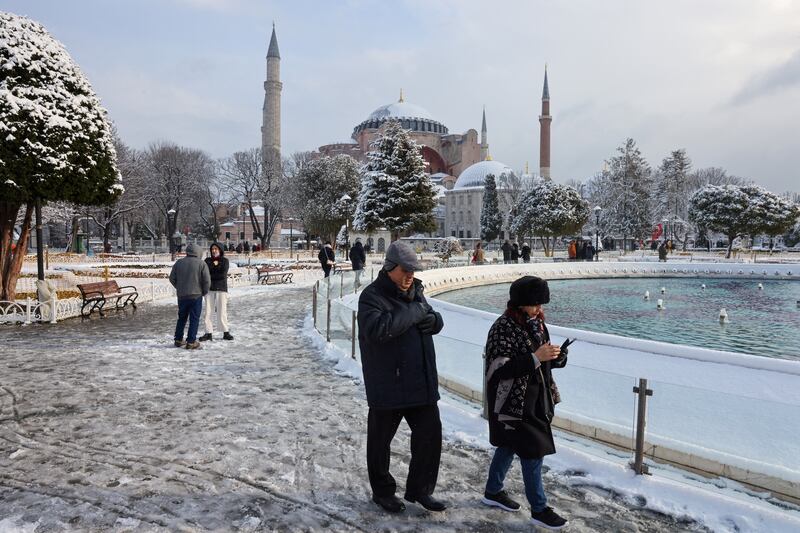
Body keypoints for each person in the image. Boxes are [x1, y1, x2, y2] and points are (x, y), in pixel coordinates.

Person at [357, 241, 446, 514]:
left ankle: (420, 490)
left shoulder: (416, 290)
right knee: (380, 442)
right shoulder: (371, 296)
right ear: (389, 268)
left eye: (413, 270)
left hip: (420, 379)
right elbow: (379, 329)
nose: (410, 276)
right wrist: (417, 312)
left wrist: (436, 321)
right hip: (388, 382)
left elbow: (430, 316)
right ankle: (383, 492)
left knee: (430, 437)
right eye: (405, 270)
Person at [481, 276, 568, 530]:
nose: (540, 309)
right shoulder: (502, 327)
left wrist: (557, 357)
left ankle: (492, 491)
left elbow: (542, 361)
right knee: (533, 452)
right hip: (513, 403)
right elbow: (498, 370)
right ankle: (539, 509)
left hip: (537, 399)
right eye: (535, 304)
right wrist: (535, 357)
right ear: (520, 303)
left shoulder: (537, 324)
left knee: (508, 446)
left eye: (542, 304)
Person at [169, 243, 210, 350]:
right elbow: (207, 281)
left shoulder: (179, 263)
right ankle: (191, 342)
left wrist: (180, 287)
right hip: (196, 296)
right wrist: (204, 292)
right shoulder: (201, 264)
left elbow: (172, 278)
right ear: (198, 252)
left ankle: (178, 339)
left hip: (182, 296)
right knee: (194, 319)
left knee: (181, 318)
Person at [199, 242, 233, 342]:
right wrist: (212, 275)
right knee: (208, 312)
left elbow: (222, 275)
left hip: (221, 289)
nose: (214, 251)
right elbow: (204, 274)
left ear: (220, 250)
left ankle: (225, 332)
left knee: (222, 311)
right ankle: (208, 333)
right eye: (212, 249)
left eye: (216, 249)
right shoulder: (207, 261)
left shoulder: (225, 261)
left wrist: (210, 275)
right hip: (209, 289)